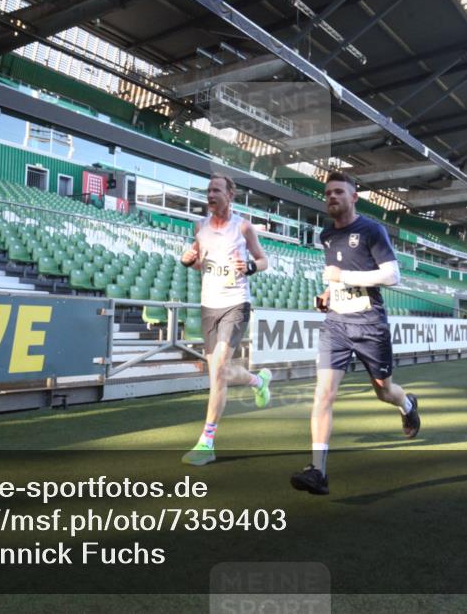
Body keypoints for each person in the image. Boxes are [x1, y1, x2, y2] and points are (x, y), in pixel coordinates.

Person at [290, 172, 420, 496]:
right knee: (323, 394)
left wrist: (343, 277)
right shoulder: (325, 235)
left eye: (338, 192)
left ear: (353, 197)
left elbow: (392, 276)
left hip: (369, 324)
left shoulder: (371, 230)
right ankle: (317, 471)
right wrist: (327, 293)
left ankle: (407, 405)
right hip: (336, 324)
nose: (332, 197)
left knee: (384, 391)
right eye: (328, 193)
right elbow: (335, 279)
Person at [180, 173, 271, 466]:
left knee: (219, 369)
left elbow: (264, 260)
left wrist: (251, 267)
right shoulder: (200, 227)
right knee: (219, 373)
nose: (210, 194)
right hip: (209, 305)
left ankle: (206, 442)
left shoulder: (243, 228)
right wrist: (188, 260)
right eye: (208, 190)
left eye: (216, 190)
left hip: (236, 303)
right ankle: (258, 380)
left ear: (230, 195)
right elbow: (199, 263)